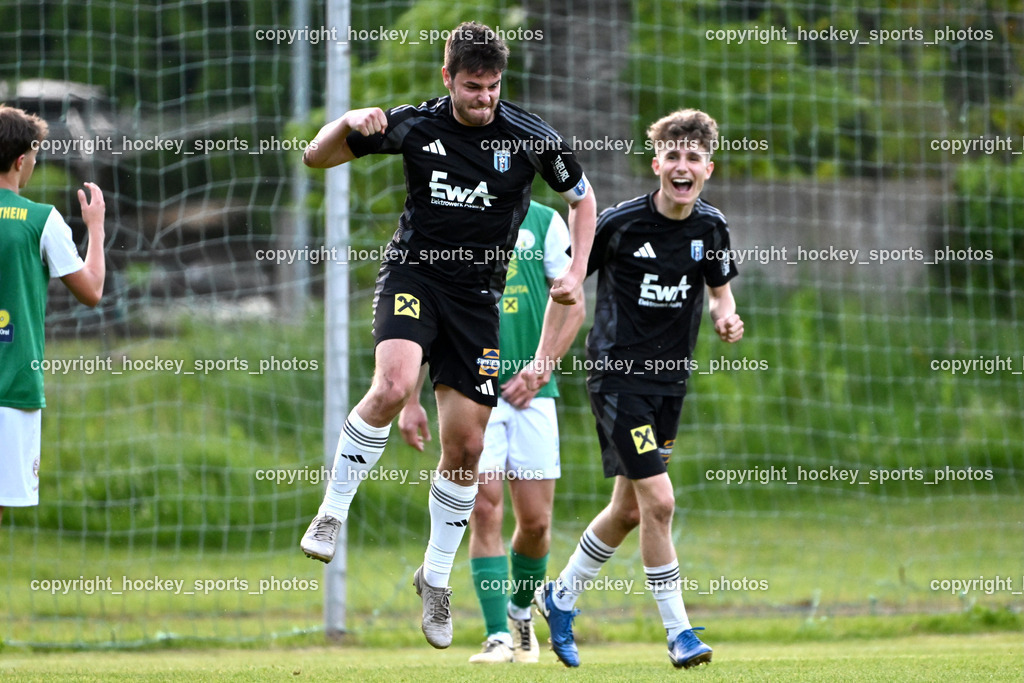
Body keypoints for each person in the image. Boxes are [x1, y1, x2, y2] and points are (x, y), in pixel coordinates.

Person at [299, 21, 596, 650]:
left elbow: (584, 199)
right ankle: (332, 512)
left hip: (475, 301)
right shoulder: (414, 124)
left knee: (465, 448)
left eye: (491, 87)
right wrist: (351, 118)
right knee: (392, 384)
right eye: (471, 87)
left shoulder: (531, 138)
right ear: (447, 78)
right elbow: (316, 155)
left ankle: (434, 577)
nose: (483, 98)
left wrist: (574, 270)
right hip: (414, 274)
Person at [533, 109, 744, 669]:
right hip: (616, 375)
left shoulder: (712, 228)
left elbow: (721, 293)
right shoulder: (621, 224)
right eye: (672, 156)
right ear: (657, 165)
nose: (682, 166)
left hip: (669, 384)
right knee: (661, 500)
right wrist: (549, 338)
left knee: (627, 511)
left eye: (693, 158)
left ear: (707, 169)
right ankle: (679, 633)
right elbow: (573, 280)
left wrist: (727, 316)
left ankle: (559, 597)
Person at [398, 201, 585, 664]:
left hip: (534, 394)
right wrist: (409, 398)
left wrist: (541, 367)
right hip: (470, 385)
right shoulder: (456, 213)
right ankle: (497, 634)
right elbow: (429, 317)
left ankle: (521, 611)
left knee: (537, 522)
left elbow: (573, 304)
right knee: (483, 508)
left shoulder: (544, 220)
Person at [0, 106, 106, 526]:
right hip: (12, 388)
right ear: (21, 160)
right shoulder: (41, 220)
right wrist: (95, 227)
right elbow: (92, 291)